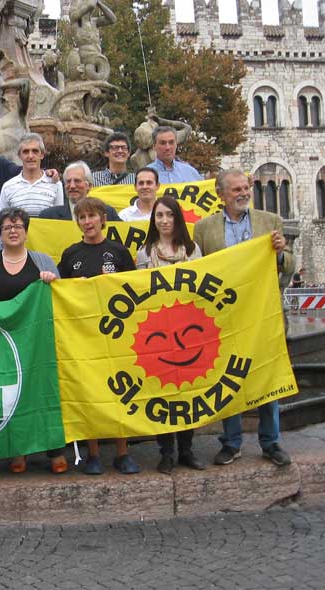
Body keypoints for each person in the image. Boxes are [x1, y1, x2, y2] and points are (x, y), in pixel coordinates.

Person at [193, 169, 294, 468]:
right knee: (228, 378)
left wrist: (280, 254)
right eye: (236, 189)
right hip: (226, 320)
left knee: (267, 378)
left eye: (245, 188)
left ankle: (271, 442)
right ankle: (231, 442)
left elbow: (289, 266)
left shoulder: (270, 221)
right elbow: (198, 271)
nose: (243, 193)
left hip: (263, 316)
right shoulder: (204, 229)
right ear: (220, 194)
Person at [0, 208, 66, 474]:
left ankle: (55, 449)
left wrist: (52, 282)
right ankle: (18, 451)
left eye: (18, 226)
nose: (13, 231)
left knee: (42, 392)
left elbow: (62, 297)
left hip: (36, 343)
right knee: (10, 396)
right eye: (7, 227)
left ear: (26, 232)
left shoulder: (42, 261)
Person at [58, 197, 139, 475]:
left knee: (118, 391)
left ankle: (122, 452)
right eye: (82, 217)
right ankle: (93, 454)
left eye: (92, 216)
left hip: (115, 333)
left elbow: (134, 289)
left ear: (103, 219)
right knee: (88, 391)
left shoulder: (118, 251)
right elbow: (60, 293)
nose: (87, 222)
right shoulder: (70, 254)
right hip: (83, 335)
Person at [135, 195, 205, 473]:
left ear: (178, 218)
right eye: (159, 215)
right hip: (158, 334)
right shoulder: (144, 254)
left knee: (187, 392)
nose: (164, 221)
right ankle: (166, 452)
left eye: (170, 215)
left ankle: (187, 449)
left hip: (188, 332)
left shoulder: (193, 250)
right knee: (161, 393)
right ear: (153, 220)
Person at [0, 133, 64, 217]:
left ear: (42, 155)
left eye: (35, 151)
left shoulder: (55, 184)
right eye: (26, 152)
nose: (30, 156)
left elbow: (59, 219)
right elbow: (0, 219)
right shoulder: (8, 187)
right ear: (20, 156)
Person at [40, 161, 121, 221]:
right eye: (68, 181)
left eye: (77, 181)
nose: (72, 186)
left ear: (89, 186)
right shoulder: (48, 216)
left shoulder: (107, 213)